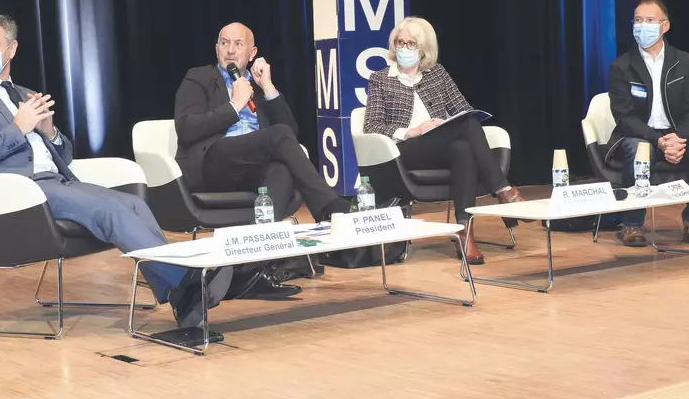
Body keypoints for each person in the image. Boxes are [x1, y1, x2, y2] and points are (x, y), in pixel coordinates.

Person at [0, 12, 231, 329]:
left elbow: (64, 154)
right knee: (110, 211)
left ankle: (181, 298)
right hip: (20, 193)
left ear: (12, 49)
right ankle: (187, 285)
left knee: (135, 204)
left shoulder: (24, 94)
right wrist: (17, 130)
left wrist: (49, 133)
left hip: (57, 181)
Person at [174, 22, 355, 294]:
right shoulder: (199, 77)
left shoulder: (256, 85)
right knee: (277, 138)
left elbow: (289, 137)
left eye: (238, 44)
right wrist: (234, 105)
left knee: (281, 170)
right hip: (213, 162)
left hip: (251, 171)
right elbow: (187, 129)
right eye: (225, 43)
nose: (231, 51)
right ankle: (331, 208)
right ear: (216, 49)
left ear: (252, 52)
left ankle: (252, 271)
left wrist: (268, 87)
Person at [363, 16, 528, 265]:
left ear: (424, 50)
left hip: (440, 145)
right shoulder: (380, 79)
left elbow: (463, 109)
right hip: (403, 151)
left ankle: (465, 232)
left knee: (462, 146)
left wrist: (445, 125)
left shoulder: (436, 73)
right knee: (466, 129)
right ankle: (504, 189)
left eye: (411, 44)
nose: (404, 49)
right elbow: (372, 126)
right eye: (400, 42)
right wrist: (413, 130)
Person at [607, 0, 689, 247]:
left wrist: (678, 138)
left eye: (650, 21)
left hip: (678, 133)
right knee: (637, 149)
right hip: (641, 134)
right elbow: (624, 116)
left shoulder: (685, 61)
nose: (643, 26)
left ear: (665, 26)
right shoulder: (621, 66)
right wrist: (659, 141)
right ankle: (632, 224)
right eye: (638, 20)